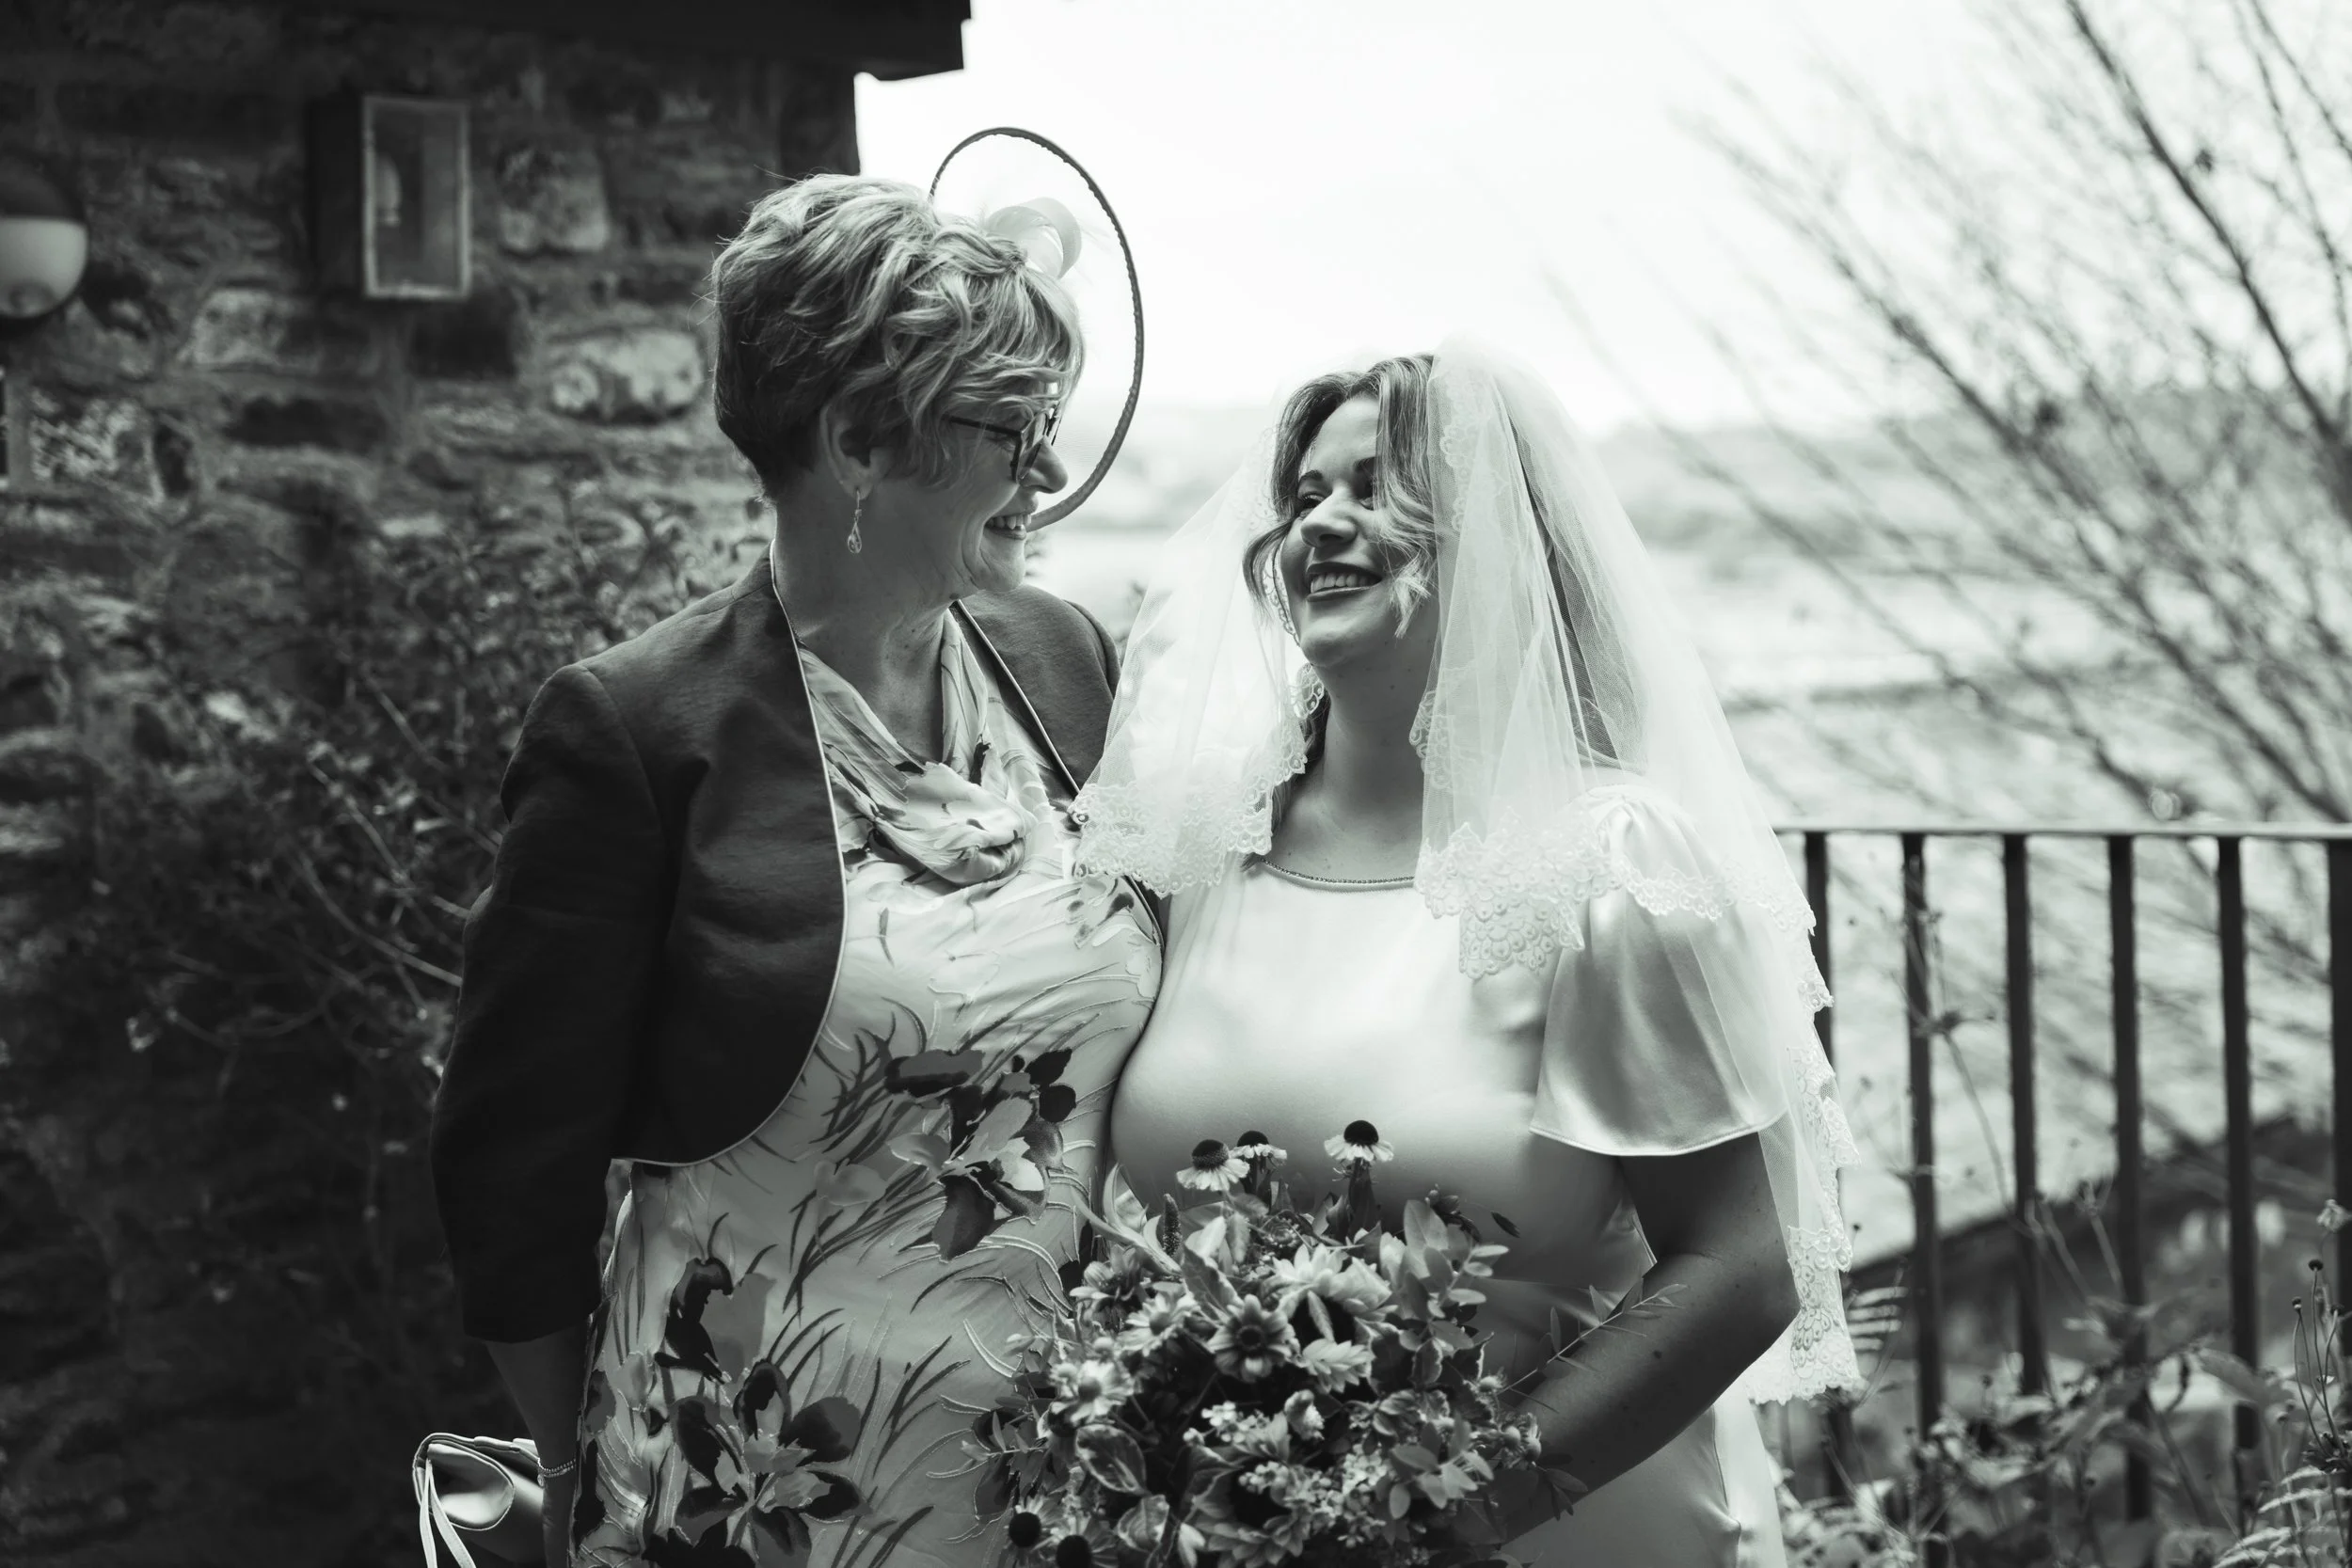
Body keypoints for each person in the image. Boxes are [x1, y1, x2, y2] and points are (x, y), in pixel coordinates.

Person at [429, 174, 1162, 1568]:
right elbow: (508, 1168)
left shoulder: (1068, 663)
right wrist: (599, 1461)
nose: (1047, 473)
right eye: (1011, 429)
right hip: (752, 1503)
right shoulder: (638, 730)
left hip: (1064, 1488)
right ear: (857, 444)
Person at [1078, 343, 1861, 1566]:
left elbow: (1743, 1267)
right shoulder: (1201, 850)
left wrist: (1425, 1519)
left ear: (1500, 540)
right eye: (1305, 494)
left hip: (1552, 1530)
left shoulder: (1606, 864)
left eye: (1378, 487)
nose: (1321, 523)